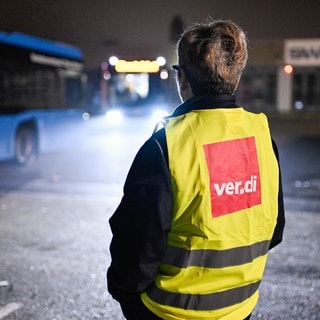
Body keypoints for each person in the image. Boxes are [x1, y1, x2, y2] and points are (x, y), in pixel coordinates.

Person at [107, 19, 285, 320]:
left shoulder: (166, 145)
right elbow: (275, 231)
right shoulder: (262, 137)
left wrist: (125, 293)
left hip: (168, 311)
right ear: (236, 80)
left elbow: (137, 250)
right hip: (241, 307)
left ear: (183, 79)